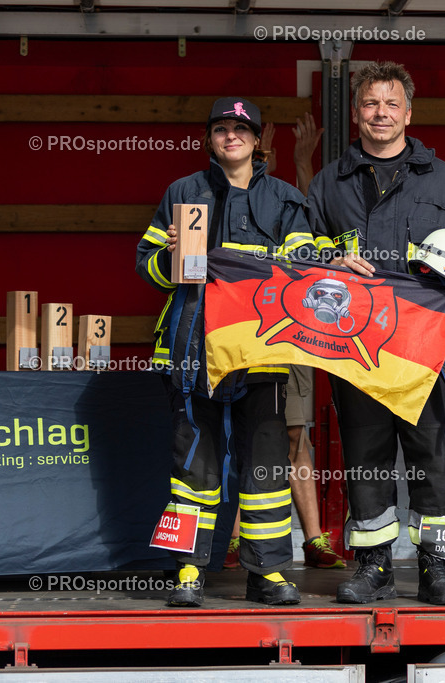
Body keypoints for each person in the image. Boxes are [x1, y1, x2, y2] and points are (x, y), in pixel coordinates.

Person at [306, 61, 445, 605]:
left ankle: (435, 568)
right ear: (355, 114)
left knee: (431, 456)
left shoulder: (444, 179)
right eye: (371, 104)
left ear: (408, 112)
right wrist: (331, 256)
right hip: (355, 345)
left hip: (427, 346)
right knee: (365, 455)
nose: (381, 113)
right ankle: (372, 566)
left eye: (391, 103)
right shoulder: (329, 182)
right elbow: (299, 251)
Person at [137, 97, 315, 606]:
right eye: (221, 128)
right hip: (195, 350)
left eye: (241, 128)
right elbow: (145, 265)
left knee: (265, 468)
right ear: (209, 137)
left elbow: (301, 272)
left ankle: (269, 573)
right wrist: (171, 256)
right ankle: (189, 572)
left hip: (262, 352)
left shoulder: (285, 198)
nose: (231, 136)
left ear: (259, 140)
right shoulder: (184, 192)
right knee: (193, 465)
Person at [224, 112, 344, 570]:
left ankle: (313, 540)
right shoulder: (217, 192)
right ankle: (233, 538)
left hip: (289, 330)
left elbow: (306, 221)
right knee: (239, 431)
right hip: (239, 327)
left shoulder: (290, 197)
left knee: (295, 434)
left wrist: (300, 161)